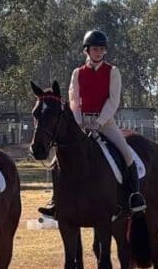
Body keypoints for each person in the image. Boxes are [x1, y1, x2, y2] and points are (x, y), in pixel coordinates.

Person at [42, 30, 146, 217]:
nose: (98, 52)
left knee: (126, 153)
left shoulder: (113, 72)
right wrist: (79, 121)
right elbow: (74, 99)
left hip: (105, 122)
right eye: (94, 49)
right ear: (86, 51)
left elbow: (113, 100)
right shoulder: (77, 73)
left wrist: (98, 122)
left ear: (104, 51)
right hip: (81, 121)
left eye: (101, 49)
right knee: (57, 159)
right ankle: (55, 200)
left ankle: (133, 195)